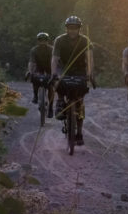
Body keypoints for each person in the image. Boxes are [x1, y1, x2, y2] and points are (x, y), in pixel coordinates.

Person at [51, 15, 94, 145]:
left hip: (80, 70)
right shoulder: (59, 40)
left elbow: (90, 58)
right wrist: (53, 73)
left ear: (79, 28)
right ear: (67, 28)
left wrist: (89, 74)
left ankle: (79, 133)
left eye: (75, 28)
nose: (72, 30)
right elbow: (54, 58)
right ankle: (59, 101)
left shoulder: (85, 40)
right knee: (57, 82)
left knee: (80, 102)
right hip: (63, 69)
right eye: (70, 27)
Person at [26, 31, 55, 117]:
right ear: (38, 41)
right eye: (41, 40)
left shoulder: (51, 49)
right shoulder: (34, 50)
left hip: (50, 68)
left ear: (47, 41)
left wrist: (54, 73)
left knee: (50, 87)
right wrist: (30, 72)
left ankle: (50, 108)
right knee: (34, 78)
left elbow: (55, 61)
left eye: (45, 40)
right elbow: (31, 62)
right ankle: (35, 95)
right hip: (39, 68)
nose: (43, 42)